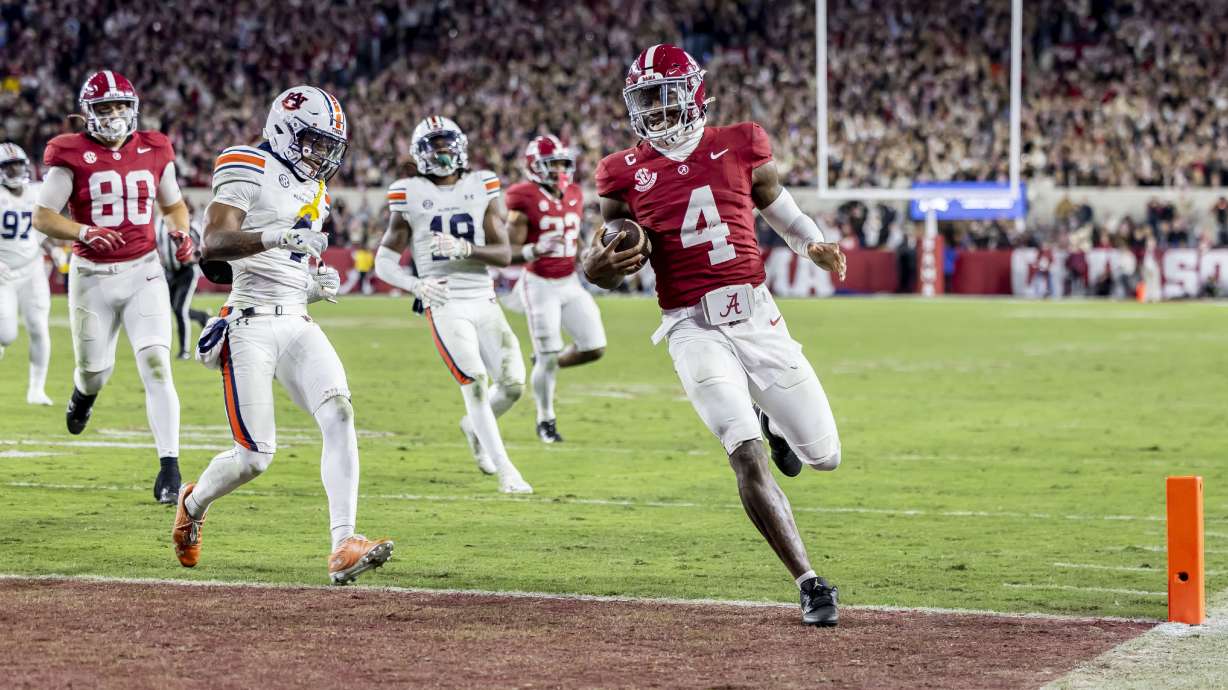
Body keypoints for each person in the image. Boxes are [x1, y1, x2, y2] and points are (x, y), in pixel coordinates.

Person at [584, 45, 847, 627]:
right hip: (690, 325)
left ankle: (774, 421)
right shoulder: (621, 171)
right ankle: (808, 581)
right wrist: (596, 269)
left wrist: (813, 245)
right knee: (743, 453)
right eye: (643, 99)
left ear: (695, 92)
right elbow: (602, 250)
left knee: (825, 457)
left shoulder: (743, 142)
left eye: (662, 94)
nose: (653, 109)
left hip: (757, 317)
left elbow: (783, 213)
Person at [172, 86, 393, 585]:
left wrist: (313, 286)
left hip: (295, 319)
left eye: (330, 145)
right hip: (249, 321)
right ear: (286, 130)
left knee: (339, 411)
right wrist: (277, 236)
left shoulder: (316, 190)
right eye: (315, 142)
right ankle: (194, 501)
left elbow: (290, 263)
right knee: (254, 457)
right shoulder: (247, 162)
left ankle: (343, 543)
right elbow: (214, 244)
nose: (323, 155)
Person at [31, 71, 192, 505]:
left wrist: (180, 232)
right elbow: (44, 216)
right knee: (94, 371)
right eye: (105, 107)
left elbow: (173, 204)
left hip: (143, 270)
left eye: (121, 106)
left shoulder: (155, 147)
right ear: (88, 113)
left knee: (158, 363)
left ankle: (170, 468)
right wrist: (83, 231)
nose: (115, 114)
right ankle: (83, 395)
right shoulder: (70, 151)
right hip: (92, 278)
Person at [375, 116, 532, 493]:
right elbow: (383, 259)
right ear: (419, 153)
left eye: (447, 142)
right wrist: (415, 285)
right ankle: (508, 472)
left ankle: (473, 427)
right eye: (433, 144)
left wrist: (466, 248)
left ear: (460, 145)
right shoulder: (408, 192)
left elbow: (504, 254)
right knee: (475, 381)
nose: (442, 151)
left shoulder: (482, 184)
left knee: (512, 385)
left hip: (483, 295)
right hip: (443, 300)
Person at [505, 135, 607, 443]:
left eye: (563, 163)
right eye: (552, 164)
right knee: (547, 352)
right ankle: (545, 419)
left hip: (569, 282)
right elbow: (507, 252)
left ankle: (546, 363)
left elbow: (573, 241)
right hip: (539, 284)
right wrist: (534, 249)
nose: (559, 170)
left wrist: (586, 260)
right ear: (534, 167)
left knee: (594, 347)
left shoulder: (574, 193)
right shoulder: (522, 198)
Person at [0, 142, 56, 405]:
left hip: (32, 269)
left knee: (38, 327)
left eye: (18, 165)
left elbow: (41, 228)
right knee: (6, 334)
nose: (14, 171)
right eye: (8, 166)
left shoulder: (36, 193)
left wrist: (52, 248)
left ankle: (37, 389)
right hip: (3, 273)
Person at [155, 210, 209, 359]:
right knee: (175, 308)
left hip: (187, 271)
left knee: (180, 309)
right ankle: (202, 317)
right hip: (170, 272)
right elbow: (156, 244)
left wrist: (194, 256)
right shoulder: (158, 222)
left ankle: (184, 351)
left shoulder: (188, 221)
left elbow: (206, 243)